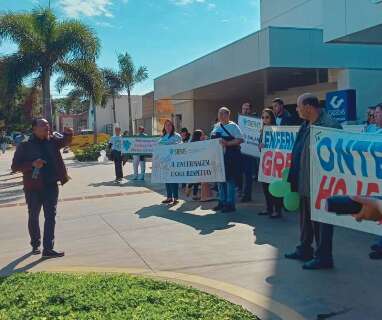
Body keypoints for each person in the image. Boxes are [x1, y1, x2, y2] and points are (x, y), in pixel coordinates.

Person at [286, 93, 342, 270]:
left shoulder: (330, 125)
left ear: (308, 107)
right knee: (305, 219)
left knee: (321, 221)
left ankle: (324, 256)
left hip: (321, 184)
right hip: (304, 180)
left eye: (298, 106)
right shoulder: (306, 125)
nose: (296, 109)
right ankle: (305, 249)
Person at [11, 118, 73, 258]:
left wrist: (68, 134)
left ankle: (48, 249)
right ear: (34, 128)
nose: (47, 127)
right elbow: (15, 166)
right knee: (33, 216)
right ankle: (35, 244)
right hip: (33, 187)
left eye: (48, 125)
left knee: (50, 216)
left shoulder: (52, 141)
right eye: (44, 125)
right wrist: (32, 164)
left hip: (51, 185)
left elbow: (65, 142)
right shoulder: (25, 145)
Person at [211, 107, 244, 213]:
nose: (220, 116)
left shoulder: (233, 126)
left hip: (230, 157)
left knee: (230, 180)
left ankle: (230, 204)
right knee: (220, 180)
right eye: (219, 113)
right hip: (218, 157)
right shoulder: (216, 126)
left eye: (223, 114)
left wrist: (228, 143)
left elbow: (240, 139)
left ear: (228, 115)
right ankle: (222, 202)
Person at [258, 108, 283, 218]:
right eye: (263, 117)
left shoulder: (277, 130)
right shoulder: (262, 130)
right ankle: (269, 208)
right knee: (265, 187)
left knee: (275, 187)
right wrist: (260, 146)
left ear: (272, 118)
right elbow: (260, 148)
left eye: (267, 117)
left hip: (275, 163)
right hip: (265, 163)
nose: (264, 119)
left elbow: (281, 146)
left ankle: (277, 210)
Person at [159, 119, 182, 205]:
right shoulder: (163, 137)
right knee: (167, 180)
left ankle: (175, 198)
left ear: (172, 126)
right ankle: (169, 197)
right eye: (166, 125)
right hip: (165, 162)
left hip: (174, 161)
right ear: (164, 127)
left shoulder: (177, 136)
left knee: (173, 179)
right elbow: (159, 148)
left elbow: (181, 147)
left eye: (169, 125)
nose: (168, 127)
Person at [238, 102, 256, 203]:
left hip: (250, 153)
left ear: (250, 110)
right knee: (239, 173)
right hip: (240, 151)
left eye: (247, 109)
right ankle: (240, 191)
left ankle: (247, 194)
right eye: (243, 109)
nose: (244, 111)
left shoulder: (255, 121)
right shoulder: (239, 121)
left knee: (248, 175)